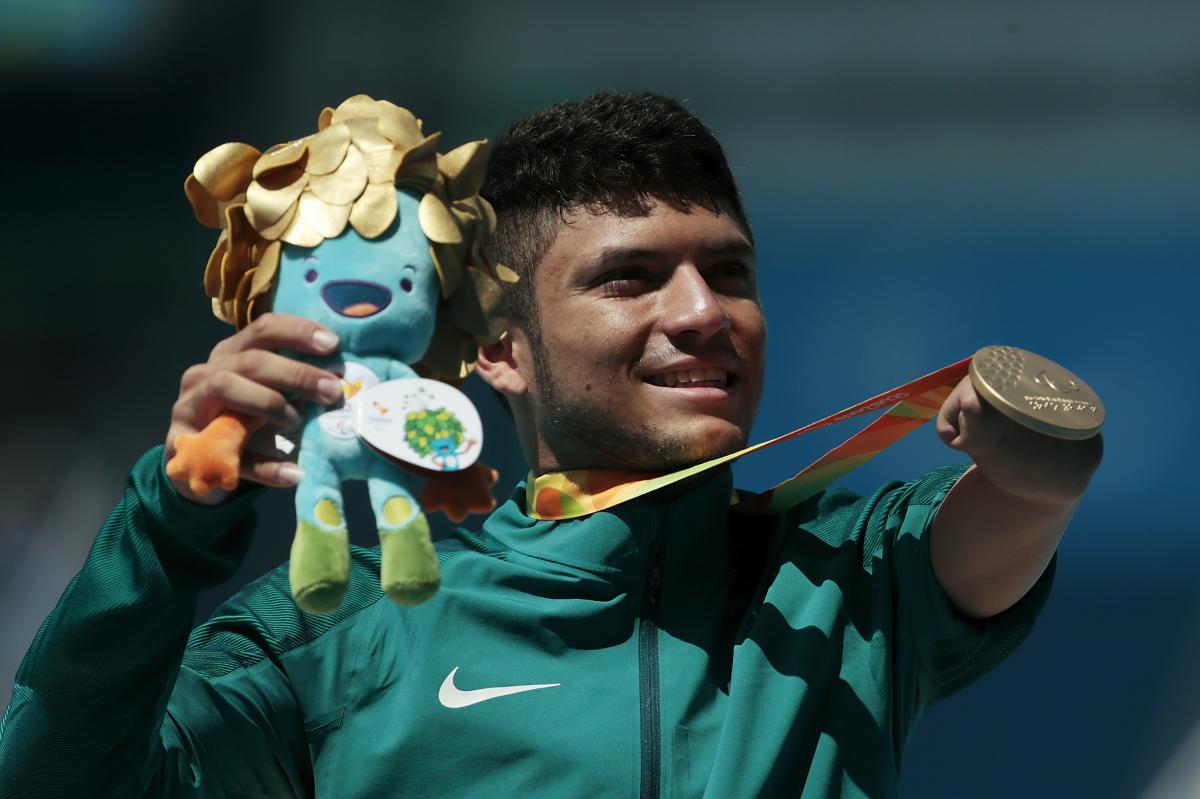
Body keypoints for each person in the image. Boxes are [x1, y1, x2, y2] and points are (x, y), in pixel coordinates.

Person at [0, 92, 1101, 798]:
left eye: (729, 272)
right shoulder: (341, 630)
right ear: (498, 351)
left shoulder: (850, 575)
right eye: (630, 278)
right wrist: (169, 518)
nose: (702, 310)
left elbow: (1036, 490)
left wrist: (1025, 431)